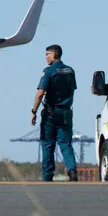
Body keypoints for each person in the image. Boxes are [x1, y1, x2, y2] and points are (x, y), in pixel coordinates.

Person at [31, 44, 78, 182]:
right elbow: (72, 90)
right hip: (66, 112)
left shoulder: (49, 71)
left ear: (55, 55)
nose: (45, 57)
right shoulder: (70, 71)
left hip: (50, 113)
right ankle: (72, 171)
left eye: (47, 54)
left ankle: (47, 177)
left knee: (47, 144)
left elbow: (39, 95)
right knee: (65, 144)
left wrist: (33, 111)